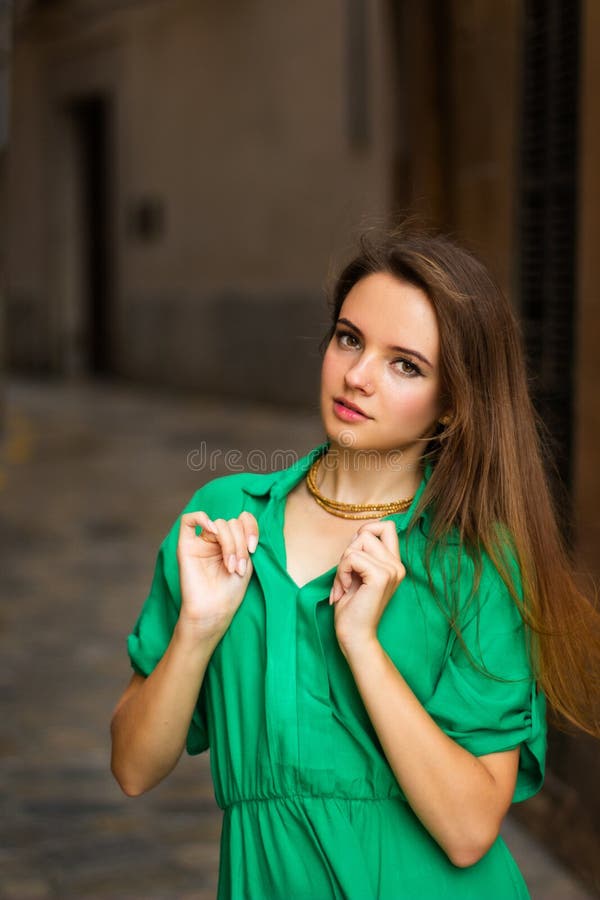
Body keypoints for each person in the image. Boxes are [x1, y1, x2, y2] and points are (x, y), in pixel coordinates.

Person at [110, 223, 600, 899]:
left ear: (453, 406)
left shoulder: (475, 562)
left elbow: (467, 830)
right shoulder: (227, 520)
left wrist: (362, 646)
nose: (358, 376)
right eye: (349, 338)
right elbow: (133, 767)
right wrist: (197, 628)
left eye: (406, 364)